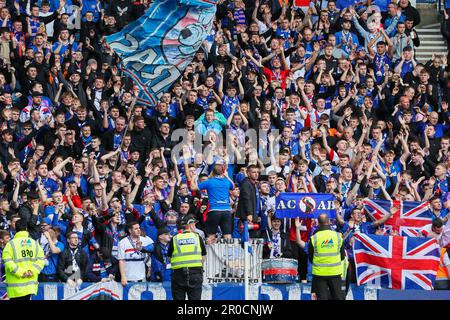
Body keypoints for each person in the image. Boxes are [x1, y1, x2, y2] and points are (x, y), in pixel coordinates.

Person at [190, 163, 235, 242]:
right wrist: (227, 176)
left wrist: (193, 178)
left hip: (214, 211)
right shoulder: (226, 182)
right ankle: (229, 254)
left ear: (212, 172)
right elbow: (233, 186)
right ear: (223, 172)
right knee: (228, 236)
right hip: (226, 211)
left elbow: (193, 187)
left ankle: (210, 254)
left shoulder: (209, 182)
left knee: (211, 236)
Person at [1, 219, 45, 300]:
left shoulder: (10, 244)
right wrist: (32, 271)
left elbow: (8, 262)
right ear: (26, 229)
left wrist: (20, 272)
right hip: (30, 286)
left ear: (15, 229)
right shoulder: (34, 243)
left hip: (16, 287)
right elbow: (41, 260)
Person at [168, 214, 206, 300]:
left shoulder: (175, 238)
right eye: (194, 224)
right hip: (195, 273)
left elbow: (169, 257)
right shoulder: (197, 237)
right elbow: (203, 256)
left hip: (178, 274)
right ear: (191, 224)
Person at [308, 214, 345, 300]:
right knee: (338, 298)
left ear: (318, 223)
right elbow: (342, 256)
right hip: (335, 273)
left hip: (319, 274)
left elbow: (310, 258)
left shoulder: (314, 238)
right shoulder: (338, 236)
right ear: (329, 222)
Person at [118, 221, 153, 286]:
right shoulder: (122, 242)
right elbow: (121, 261)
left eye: (139, 228)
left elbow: (150, 255)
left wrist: (150, 269)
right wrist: (123, 276)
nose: (139, 230)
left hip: (142, 277)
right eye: (136, 229)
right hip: (128, 278)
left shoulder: (145, 240)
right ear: (130, 230)